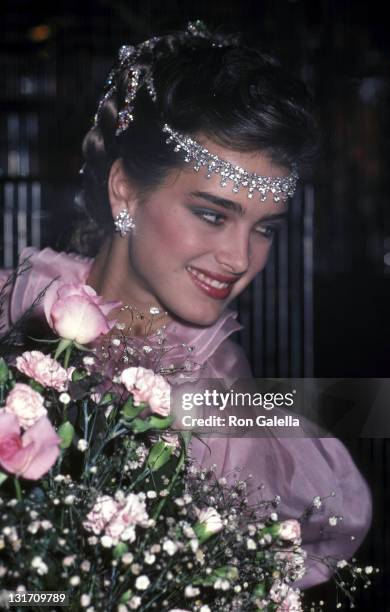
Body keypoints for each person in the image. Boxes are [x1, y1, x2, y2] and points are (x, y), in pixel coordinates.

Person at [0, 22, 371, 590]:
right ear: (125, 190)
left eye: (265, 228)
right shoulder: (17, 299)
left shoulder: (220, 409)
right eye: (213, 214)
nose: (239, 257)